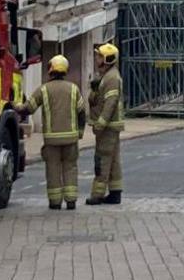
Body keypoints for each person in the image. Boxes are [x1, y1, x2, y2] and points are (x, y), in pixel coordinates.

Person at [31, 55, 86, 210]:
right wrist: (80, 132)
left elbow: (29, 107)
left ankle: (55, 202)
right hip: (71, 139)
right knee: (70, 168)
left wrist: (14, 105)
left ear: (51, 70)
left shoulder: (44, 89)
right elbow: (82, 112)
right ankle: (71, 201)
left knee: (53, 169)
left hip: (51, 140)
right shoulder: (74, 89)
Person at [86, 43, 125, 206]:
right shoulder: (106, 76)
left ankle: (97, 194)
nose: (96, 59)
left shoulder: (111, 78)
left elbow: (110, 103)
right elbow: (97, 100)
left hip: (108, 127)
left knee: (102, 160)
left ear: (108, 59)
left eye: (99, 56)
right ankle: (115, 193)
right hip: (111, 126)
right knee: (113, 160)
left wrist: (100, 124)